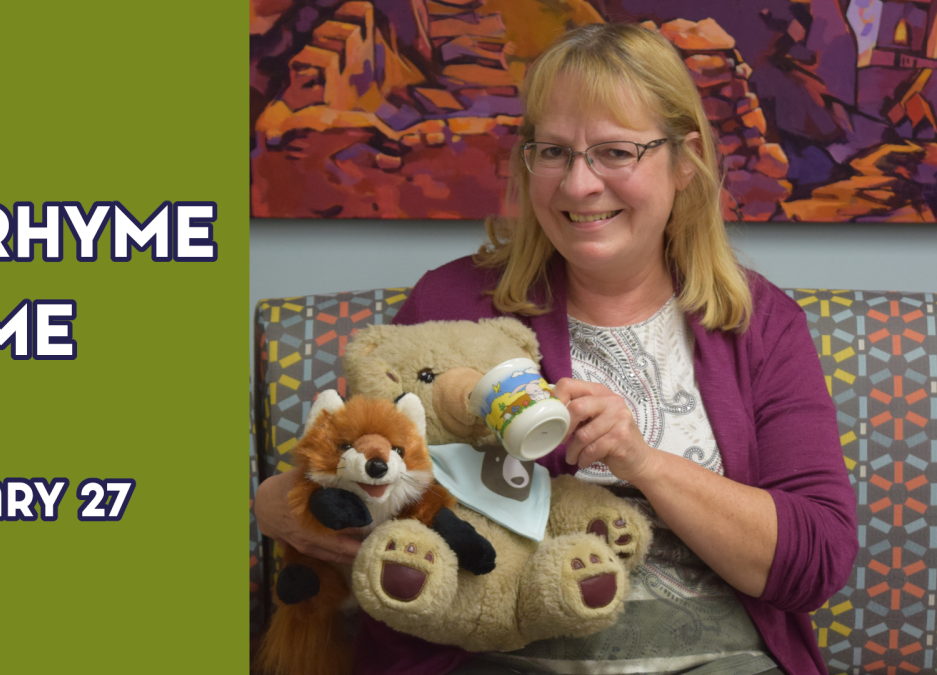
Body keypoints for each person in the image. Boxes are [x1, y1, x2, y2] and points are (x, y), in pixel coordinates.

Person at [254, 22, 857, 675]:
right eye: (554, 152)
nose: (578, 185)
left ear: (684, 161)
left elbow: (814, 561)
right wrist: (289, 507)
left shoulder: (760, 323)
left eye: (615, 152)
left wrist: (643, 463)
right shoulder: (452, 304)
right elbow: (334, 470)